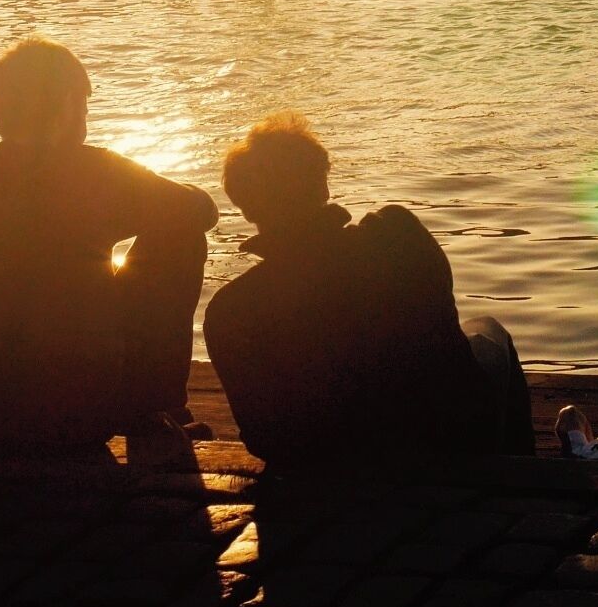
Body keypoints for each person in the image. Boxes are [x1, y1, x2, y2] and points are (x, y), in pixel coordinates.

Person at [0, 38, 213, 444]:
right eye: (86, 104)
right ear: (71, 106)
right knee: (180, 238)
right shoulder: (96, 171)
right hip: (77, 411)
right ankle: (156, 408)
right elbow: (202, 212)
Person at [203, 113, 530, 466]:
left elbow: (263, 439)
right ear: (322, 187)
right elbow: (440, 308)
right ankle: (523, 482)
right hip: (441, 444)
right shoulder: (394, 235)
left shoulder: (229, 311)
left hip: (325, 474)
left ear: (246, 206)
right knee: (486, 329)